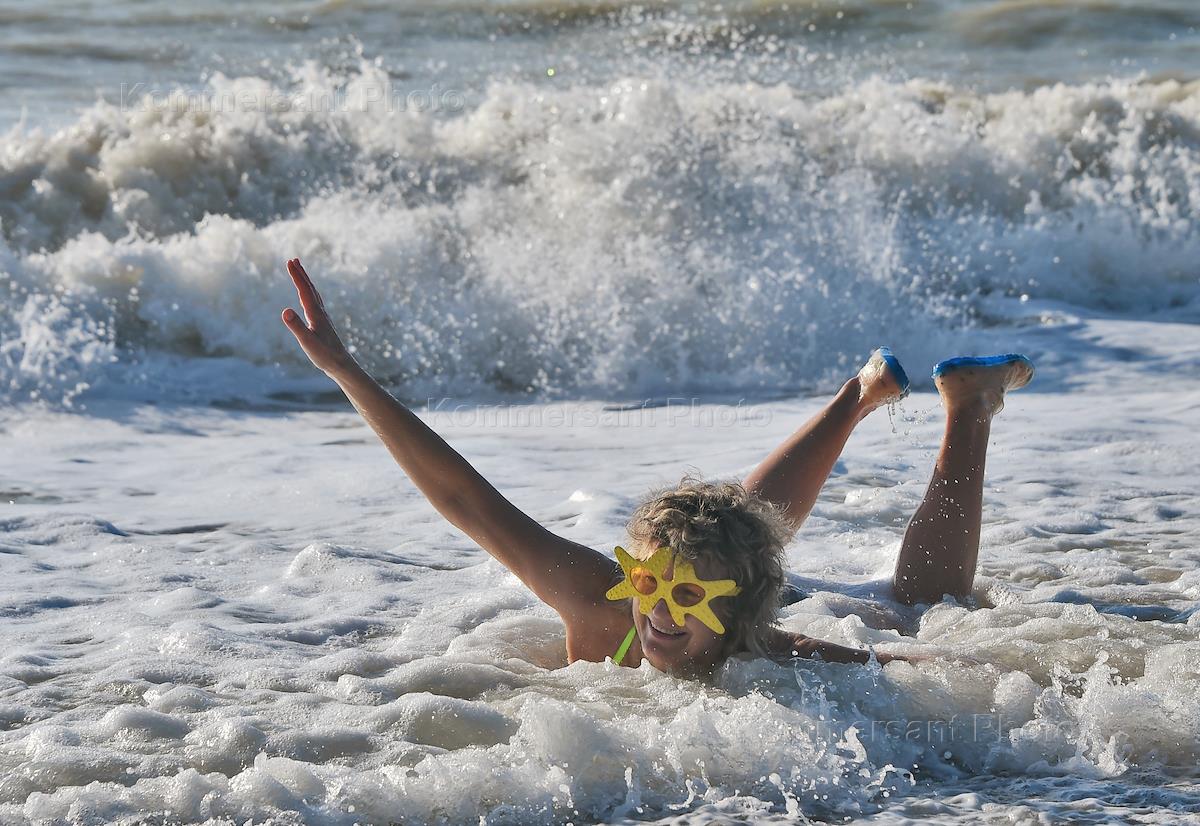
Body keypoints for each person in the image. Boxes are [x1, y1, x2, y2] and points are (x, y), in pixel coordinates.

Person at [280, 258, 1033, 679]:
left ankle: (957, 404)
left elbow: (902, 661)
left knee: (915, 602)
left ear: (738, 617)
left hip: (765, 584)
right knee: (718, 526)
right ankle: (887, 398)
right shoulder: (606, 605)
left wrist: (1004, 676)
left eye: (683, 595)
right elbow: (462, 496)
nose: (660, 612)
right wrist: (348, 373)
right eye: (648, 583)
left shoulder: (761, 648)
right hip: (741, 571)